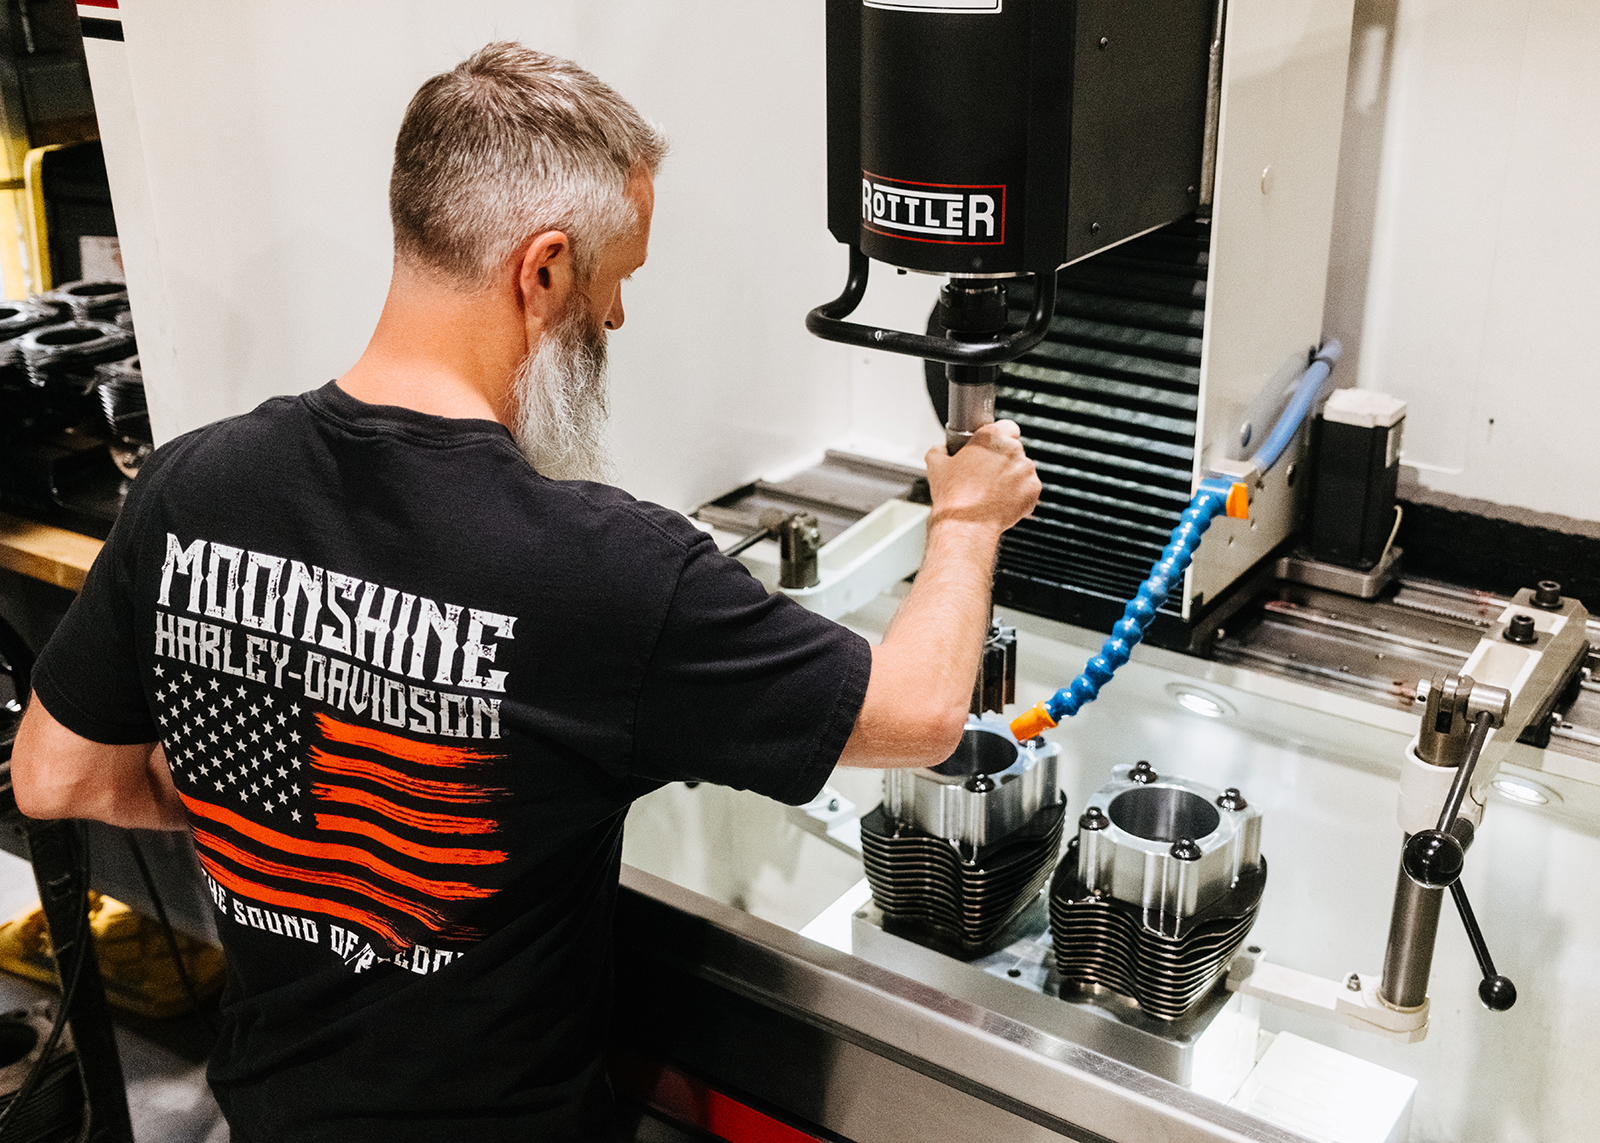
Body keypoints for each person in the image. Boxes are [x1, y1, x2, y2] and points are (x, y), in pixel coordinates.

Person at [10, 42, 1040, 1142]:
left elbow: (55, 774)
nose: (616, 320)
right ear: (541, 269)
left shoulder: (191, 484)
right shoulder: (604, 572)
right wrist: (969, 519)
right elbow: (925, 715)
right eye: (616, 281)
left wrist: (263, 833)